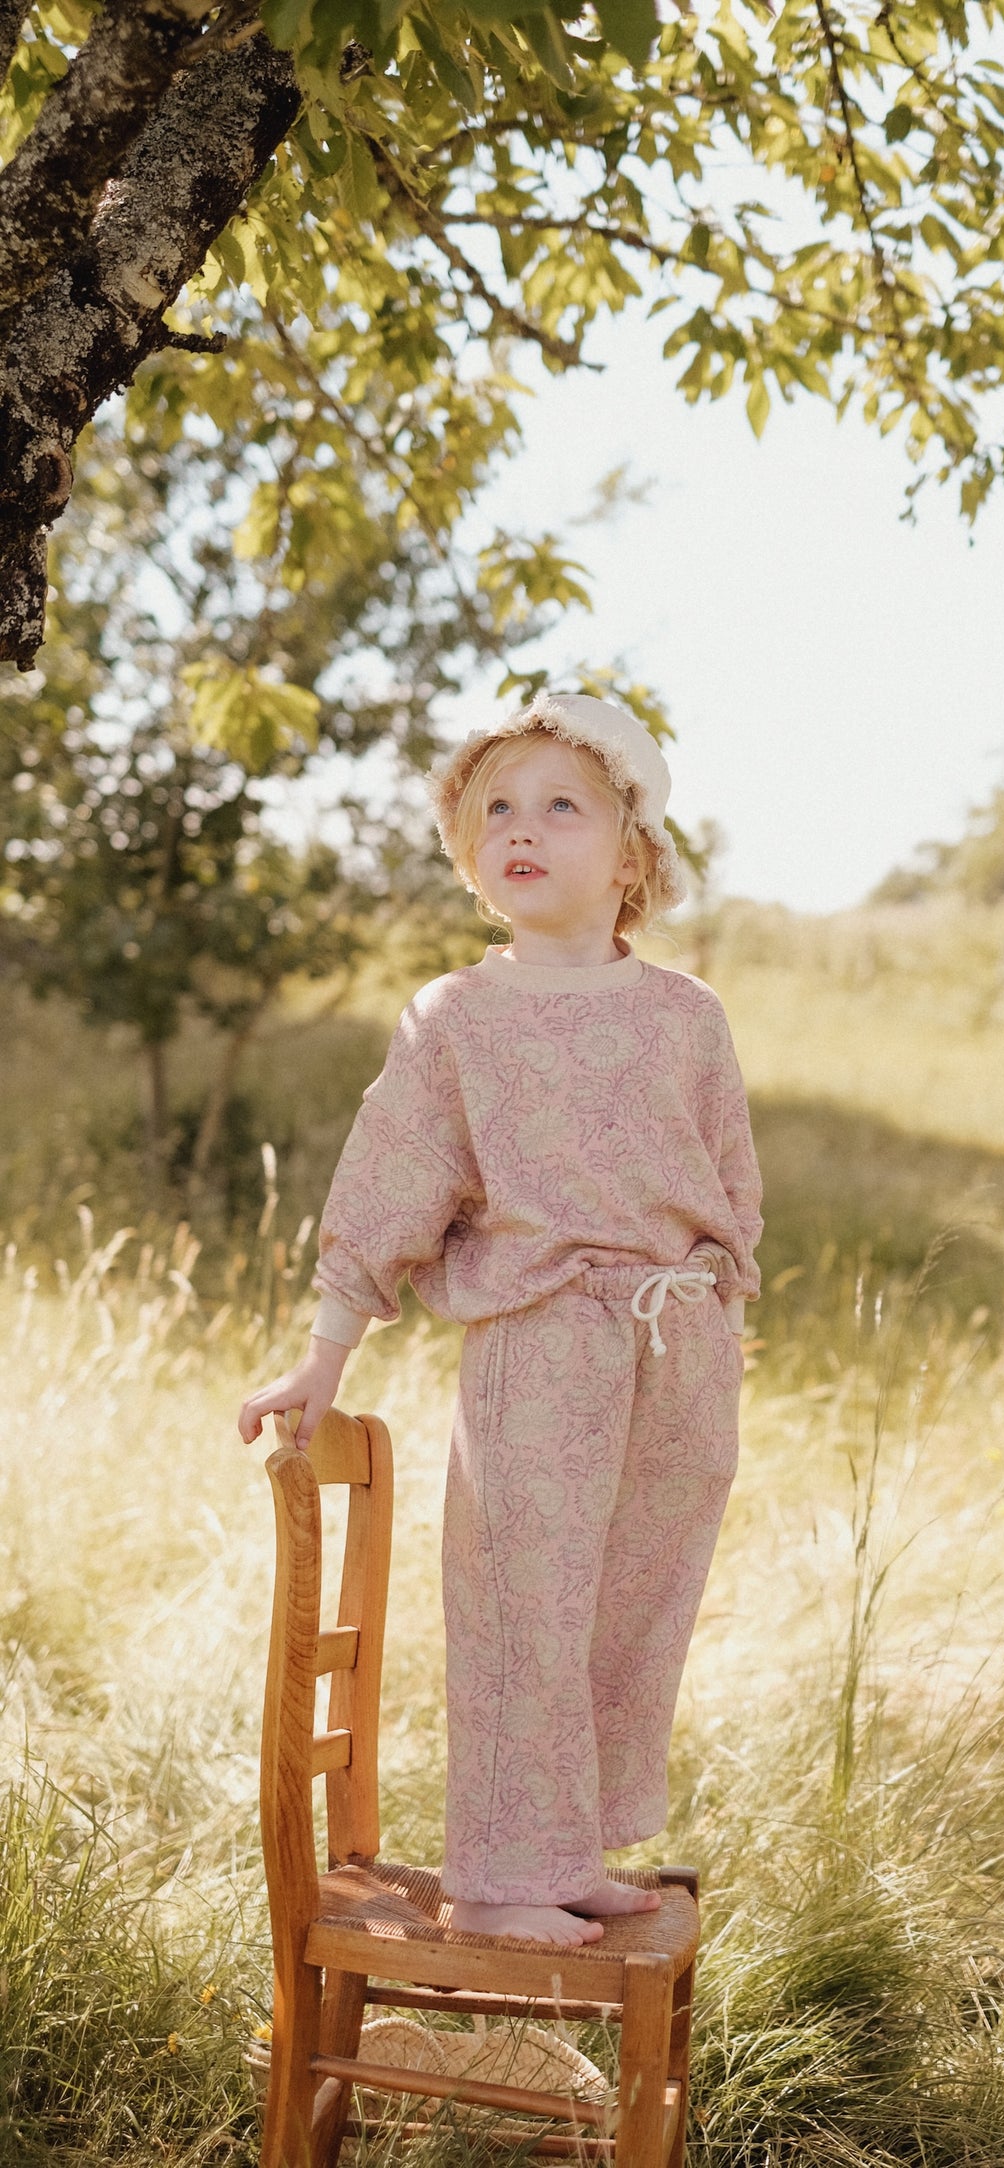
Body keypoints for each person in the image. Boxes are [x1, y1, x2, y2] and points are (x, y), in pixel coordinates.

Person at [238, 692, 762, 1948]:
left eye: (558, 804)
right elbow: (390, 1177)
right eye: (494, 810)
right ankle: (496, 1873)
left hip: (673, 1348)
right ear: (472, 855)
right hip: (540, 1343)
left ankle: (566, 1844)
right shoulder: (458, 1017)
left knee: (631, 1594)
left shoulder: (686, 1014)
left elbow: (730, 1180)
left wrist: (713, 1313)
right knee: (524, 1594)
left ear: (631, 853)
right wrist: (325, 1349)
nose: (518, 827)